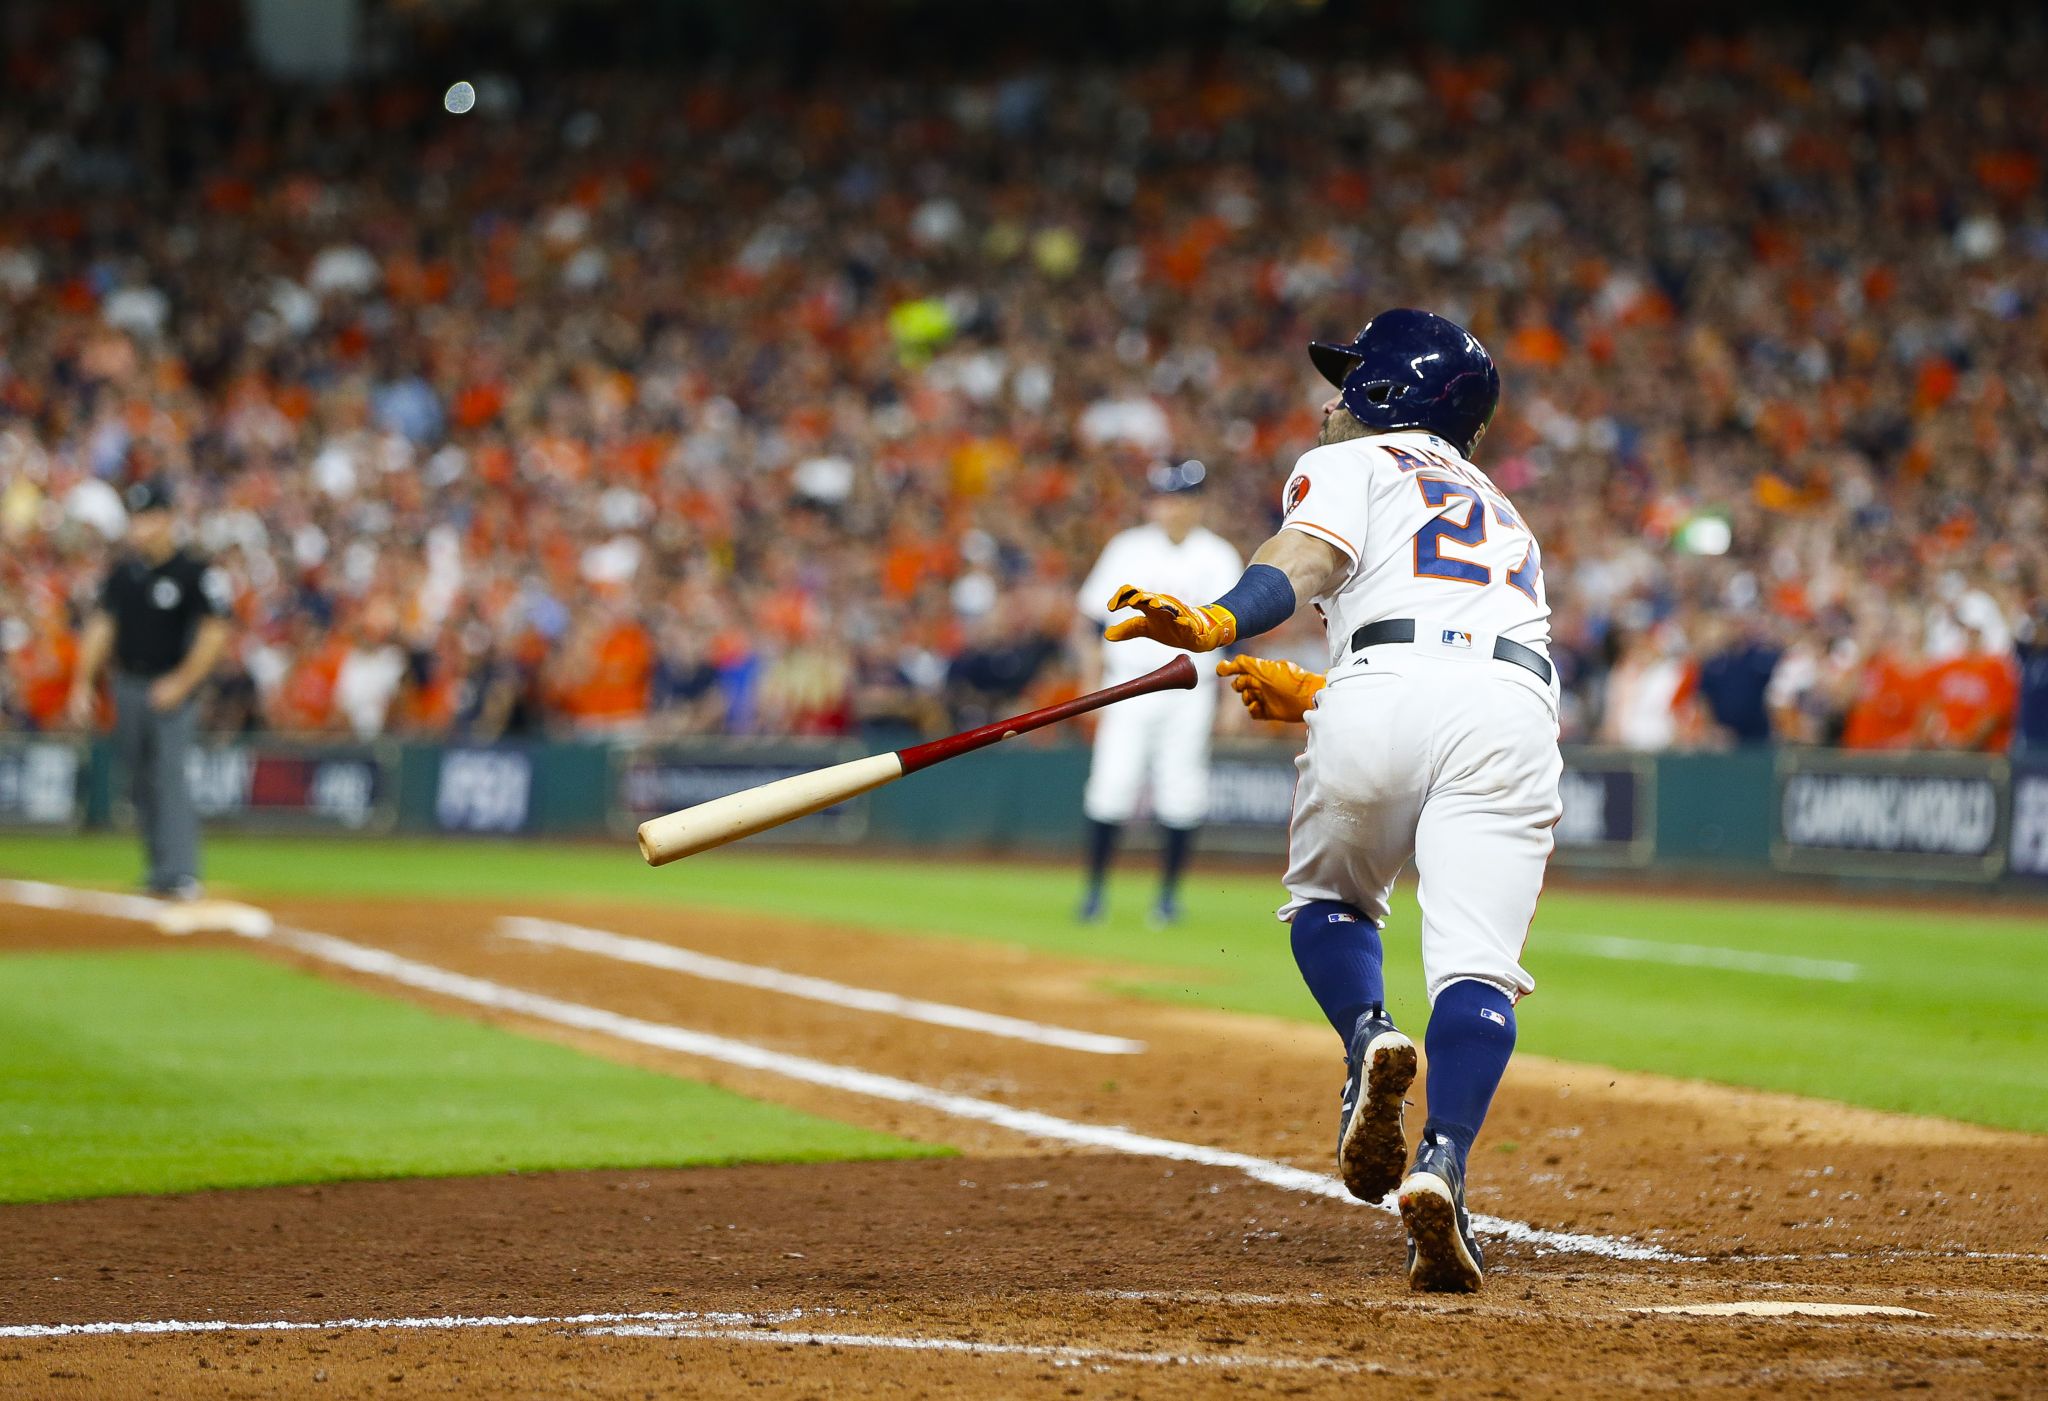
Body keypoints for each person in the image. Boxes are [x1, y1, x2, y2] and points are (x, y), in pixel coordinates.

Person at [1102, 310, 1560, 1293]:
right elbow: (1462, 654)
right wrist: (1315, 692)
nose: (1328, 399)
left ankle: (1365, 1037)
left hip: (1386, 693)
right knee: (1478, 966)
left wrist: (1223, 619)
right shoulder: (1503, 509)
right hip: (1516, 714)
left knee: (1331, 905)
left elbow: (1307, 559)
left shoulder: (1357, 465)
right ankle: (1441, 1165)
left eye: (1350, 382)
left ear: (1394, 397)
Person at [1072, 459, 1243, 924]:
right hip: (1127, 682)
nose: (1171, 507)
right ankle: (1094, 893)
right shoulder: (1127, 548)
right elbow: (1090, 622)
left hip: (1191, 688)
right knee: (1111, 786)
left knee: (1182, 793)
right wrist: (1090, 682)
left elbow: (1234, 635)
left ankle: (1167, 898)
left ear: (1198, 504)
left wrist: (1230, 700)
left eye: (1181, 498)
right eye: (1164, 498)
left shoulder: (1218, 555)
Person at [66, 479, 232, 899]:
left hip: (172, 688)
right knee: (140, 780)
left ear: (167, 519)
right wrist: (83, 682)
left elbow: (214, 633)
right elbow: (102, 626)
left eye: (148, 517)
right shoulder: (124, 573)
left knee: (170, 777)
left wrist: (182, 682)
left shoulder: (193, 571)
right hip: (129, 684)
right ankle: (160, 870)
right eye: (136, 517)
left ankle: (181, 871)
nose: (139, 527)